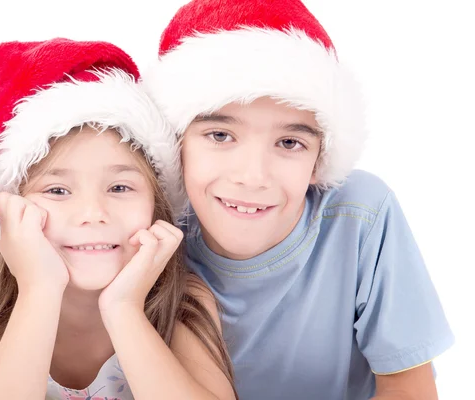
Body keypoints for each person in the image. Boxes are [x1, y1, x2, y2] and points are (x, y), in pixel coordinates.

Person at [0, 38, 236, 400]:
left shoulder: (181, 300)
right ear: (10, 211)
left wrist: (124, 309)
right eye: (57, 191)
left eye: (119, 187)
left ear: (158, 205)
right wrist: (39, 289)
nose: (93, 214)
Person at [141, 0, 454, 398]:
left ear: (320, 161)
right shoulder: (154, 232)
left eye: (289, 142)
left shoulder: (359, 216)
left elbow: (408, 387)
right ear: (175, 143)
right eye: (220, 136)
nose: (252, 177)